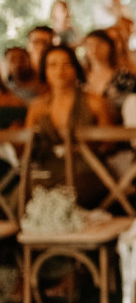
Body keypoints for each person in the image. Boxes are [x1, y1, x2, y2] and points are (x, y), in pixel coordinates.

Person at [25, 44, 116, 207]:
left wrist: (88, 145)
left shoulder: (95, 102)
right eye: (52, 65)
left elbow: (110, 143)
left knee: (65, 198)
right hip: (48, 170)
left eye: (66, 64)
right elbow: (27, 146)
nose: (60, 71)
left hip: (87, 170)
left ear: (75, 68)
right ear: (44, 70)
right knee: (21, 196)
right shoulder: (37, 107)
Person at [81, 28, 136, 110]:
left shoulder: (124, 76)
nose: (94, 49)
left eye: (99, 44)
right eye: (90, 45)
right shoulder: (79, 76)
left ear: (110, 47)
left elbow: (134, 104)